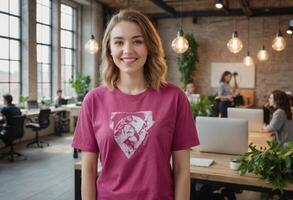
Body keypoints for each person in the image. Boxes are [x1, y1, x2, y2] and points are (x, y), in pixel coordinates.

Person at [72, 9, 199, 200]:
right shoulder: (93, 100)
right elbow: (88, 170)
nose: (128, 50)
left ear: (150, 46)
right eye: (119, 42)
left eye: (137, 41)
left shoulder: (174, 98)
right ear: (109, 49)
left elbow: (182, 169)